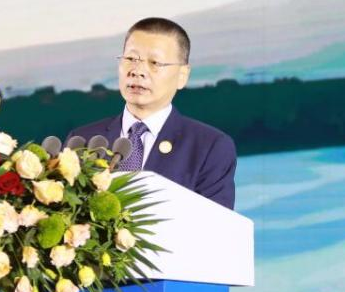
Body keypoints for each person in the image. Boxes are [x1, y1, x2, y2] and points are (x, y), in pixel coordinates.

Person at [68, 17, 237, 209]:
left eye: (155, 62)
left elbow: (216, 224)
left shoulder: (209, 147)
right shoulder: (82, 140)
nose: (137, 71)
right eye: (131, 59)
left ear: (182, 75)